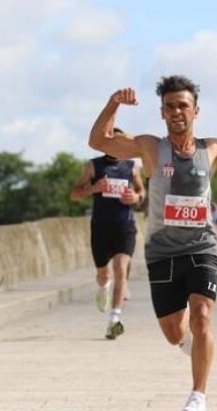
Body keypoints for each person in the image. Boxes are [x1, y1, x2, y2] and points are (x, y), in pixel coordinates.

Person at [87, 75, 217, 411]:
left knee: (202, 316)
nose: (176, 111)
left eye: (183, 105)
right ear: (162, 112)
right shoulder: (150, 148)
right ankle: (192, 346)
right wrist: (114, 103)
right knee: (174, 334)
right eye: (169, 106)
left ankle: (198, 398)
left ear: (195, 110)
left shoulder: (211, 150)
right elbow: (98, 141)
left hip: (202, 247)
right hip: (162, 252)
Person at [70, 127, 146, 340]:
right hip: (101, 228)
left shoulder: (132, 166)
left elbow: (141, 191)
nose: (118, 146)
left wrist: (136, 198)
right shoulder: (93, 166)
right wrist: (92, 189)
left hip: (125, 227)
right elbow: (74, 194)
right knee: (104, 274)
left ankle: (114, 320)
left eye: (122, 142)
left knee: (120, 269)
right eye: (114, 141)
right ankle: (104, 286)